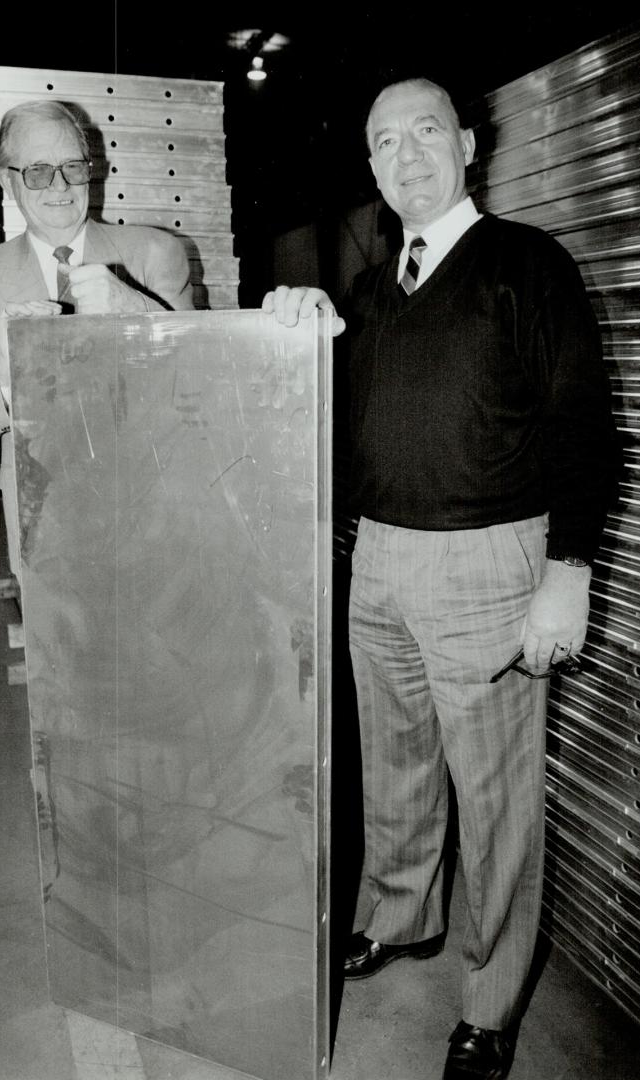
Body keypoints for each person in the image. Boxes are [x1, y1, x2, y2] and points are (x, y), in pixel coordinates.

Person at [263, 77, 617, 1079]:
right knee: (397, 766)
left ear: (464, 142)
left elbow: (580, 426)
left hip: (486, 563)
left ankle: (491, 1002)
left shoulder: (525, 265)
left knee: (496, 795)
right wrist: (297, 321)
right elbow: (326, 418)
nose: (405, 153)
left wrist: (567, 572)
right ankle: (404, 916)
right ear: (370, 167)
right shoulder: (372, 292)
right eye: (384, 141)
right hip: (375, 559)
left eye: (424, 130)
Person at [0, 99, 194, 578]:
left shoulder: (154, 252)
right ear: (5, 179)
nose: (59, 186)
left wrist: (134, 310)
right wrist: (9, 367)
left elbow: (200, 377)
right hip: (48, 527)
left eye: (72, 167)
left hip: (157, 511)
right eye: (36, 171)